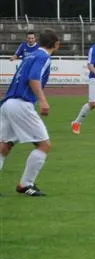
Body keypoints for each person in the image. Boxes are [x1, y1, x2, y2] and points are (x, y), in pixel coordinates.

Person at [0, 29, 60, 197]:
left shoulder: (30, 55)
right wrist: (43, 100)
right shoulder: (43, 57)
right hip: (21, 104)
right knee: (44, 145)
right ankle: (26, 184)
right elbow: (33, 79)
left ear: (39, 42)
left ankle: (25, 184)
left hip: (8, 103)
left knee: (4, 146)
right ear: (56, 44)